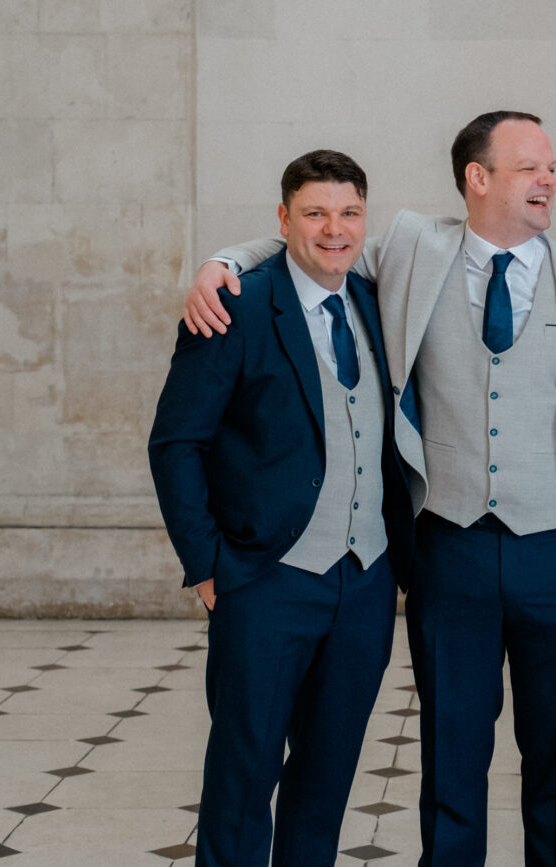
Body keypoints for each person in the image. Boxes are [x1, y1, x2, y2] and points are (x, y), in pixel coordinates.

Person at [182, 112, 556, 867]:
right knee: (450, 762)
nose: (549, 180)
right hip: (450, 547)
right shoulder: (416, 249)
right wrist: (221, 261)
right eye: (531, 167)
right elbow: (314, 246)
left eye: (552, 168)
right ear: (478, 179)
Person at [148, 149, 413, 866]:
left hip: (362, 583)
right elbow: (175, 442)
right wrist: (207, 566)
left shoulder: (371, 298)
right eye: (316, 213)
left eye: (350, 212)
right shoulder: (235, 303)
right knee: (244, 776)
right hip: (264, 580)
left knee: (326, 781)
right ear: (283, 219)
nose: (335, 229)